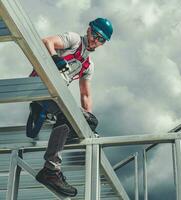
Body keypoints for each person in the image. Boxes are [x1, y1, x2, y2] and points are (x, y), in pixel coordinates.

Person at [28, 18, 113, 197]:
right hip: (38, 86)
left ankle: (56, 141)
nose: (95, 41)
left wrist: (88, 127)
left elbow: (85, 95)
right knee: (68, 115)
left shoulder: (88, 65)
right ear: (88, 30)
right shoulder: (74, 40)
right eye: (95, 35)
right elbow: (46, 41)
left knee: (89, 120)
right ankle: (50, 171)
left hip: (54, 98)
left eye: (101, 40)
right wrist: (55, 58)